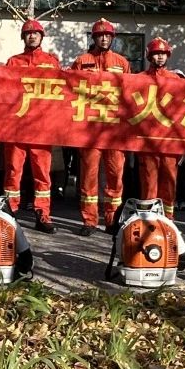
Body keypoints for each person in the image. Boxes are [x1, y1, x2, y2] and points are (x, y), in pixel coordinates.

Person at [69, 18, 130, 235]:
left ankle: (112, 219)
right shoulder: (81, 61)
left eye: (107, 36)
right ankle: (89, 220)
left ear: (112, 38)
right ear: (94, 38)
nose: (104, 39)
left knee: (115, 175)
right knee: (89, 176)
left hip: (114, 129)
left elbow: (130, 93)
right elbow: (70, 89)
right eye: (100, 35)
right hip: (90, 129)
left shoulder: (122, 63)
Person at [2, 19, 61, 232]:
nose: (32, 36)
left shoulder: (52, 62)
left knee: (42, 174)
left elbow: (61, 92)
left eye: (36, 33)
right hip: (16, 127)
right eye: (28, 33)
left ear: (42, 37)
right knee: (13, 171)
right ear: (23, 37)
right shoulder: (13, 62)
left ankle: (43, 214)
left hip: (42, 129)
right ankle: (10, 213)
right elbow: (4, 93)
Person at [138, 38, 184, 220]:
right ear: (150, 56)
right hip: (147, 140)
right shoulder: (139, 79)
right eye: (156, 53)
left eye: (163, 54)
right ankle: (148, 219)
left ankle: (168, 219)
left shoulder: (176, 80)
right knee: (148, 181)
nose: (160, 57)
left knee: (169, 182)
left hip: (170, 141)